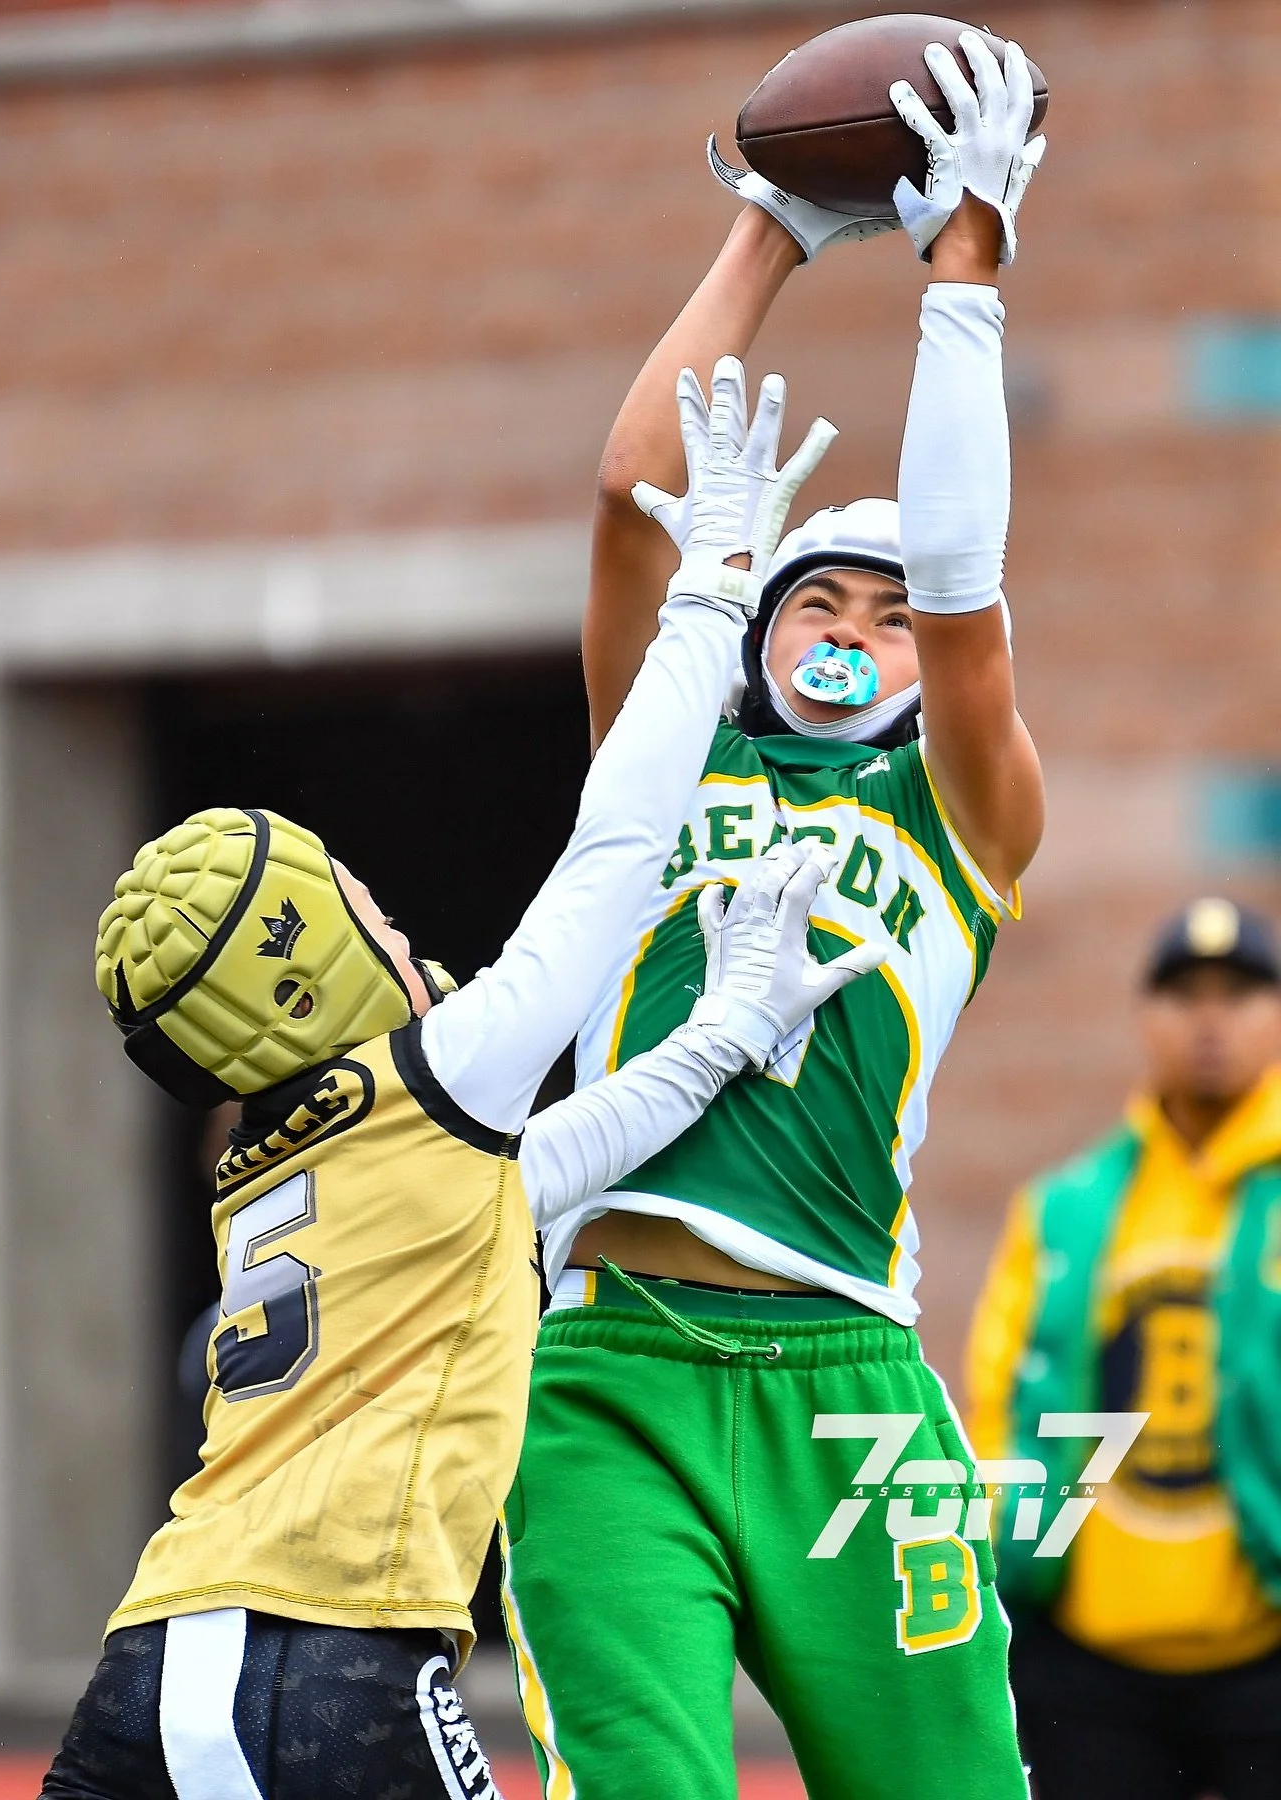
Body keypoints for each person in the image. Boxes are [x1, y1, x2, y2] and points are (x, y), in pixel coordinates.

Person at [38, 361, 883, 1800]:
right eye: (352, 890)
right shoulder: (431, 1086)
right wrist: (714, 588)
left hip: (149, 1653)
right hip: (344, 1661)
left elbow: (562, 1160)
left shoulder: (283, 1169)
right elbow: (617, 848)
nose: (389, 908)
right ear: (305, 977)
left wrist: (726, 1030)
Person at [500, 35, 1046, 1800]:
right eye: (820, 588)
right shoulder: (662, 759)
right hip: (611, 1370)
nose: (858, 625)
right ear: (758, 621)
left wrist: (963, 277)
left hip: (850, 1385)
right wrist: (768, 228)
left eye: (887, 616)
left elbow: (970, 596)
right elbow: (628, 503)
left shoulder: (966, 811)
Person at [967, 897, 1281, 1799]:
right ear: (1146, 1017)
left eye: (1239, 992)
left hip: (1266, 1651)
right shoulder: (1067, 1210)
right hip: (1089, 1667)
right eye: (1185, 995)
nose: (1211, 1018)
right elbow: (996, 1409)